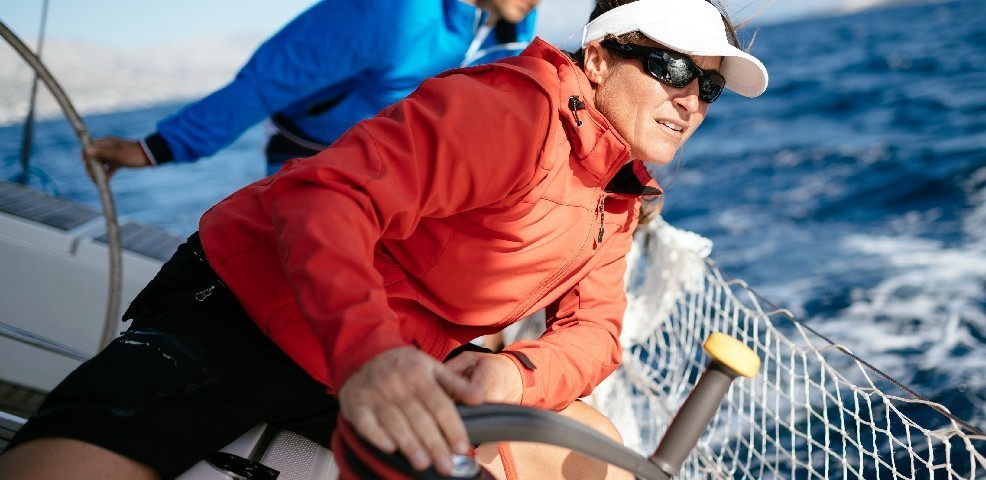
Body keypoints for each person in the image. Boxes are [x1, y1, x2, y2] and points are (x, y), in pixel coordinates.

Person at [0, 0, 768, 478]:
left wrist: (514, 377)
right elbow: (322, 193)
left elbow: (596, 330)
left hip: (396, 359)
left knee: (589, 449)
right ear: (597, 58)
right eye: (670, 66)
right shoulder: (513, 112)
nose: (688, 99)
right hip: (246, 312)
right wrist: (371, 355)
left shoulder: (619, 187)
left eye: (707, 86)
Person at [85, 0, 540, 178]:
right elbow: (267, 82)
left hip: (402, 160)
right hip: (309, 153)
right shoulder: (389, 13)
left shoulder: (515, 23)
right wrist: (154, 148)